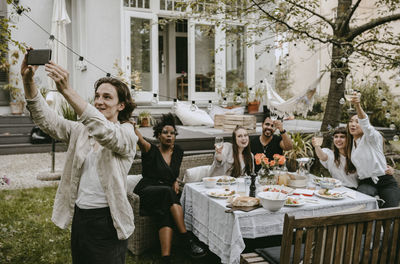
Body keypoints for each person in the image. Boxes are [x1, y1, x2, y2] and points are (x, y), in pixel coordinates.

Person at [21, 54, 138, 263]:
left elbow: (104, 130)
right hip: (81, 218)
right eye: (97, 96)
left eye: (107, 97)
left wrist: (66, 90)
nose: (100, 101)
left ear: (121, 105)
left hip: (108, 220)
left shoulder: (127, 133)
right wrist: (28, 81)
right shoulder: (80, 130)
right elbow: (45, 119)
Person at [132, 113, 206, 263]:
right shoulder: (150, 150)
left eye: (172, 133)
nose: (169, 136)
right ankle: (186, 240)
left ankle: (165, 258)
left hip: (165, 195)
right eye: (165, 132)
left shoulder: (178, 151)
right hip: (147, 192)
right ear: (158, 135)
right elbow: (139, 138)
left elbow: (174, 171)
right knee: (168, 192)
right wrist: (131, 124)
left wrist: (175, 180)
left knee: (165, 213)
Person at [347, 93, 400, 208]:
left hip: (385, 181)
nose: (353, 124)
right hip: (366, 182)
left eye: (357, 122)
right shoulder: (352, 143)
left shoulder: (373, 137)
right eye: (351, 121)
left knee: (391, 215)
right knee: (362, 208)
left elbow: (365, 123)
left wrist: (357, 105)